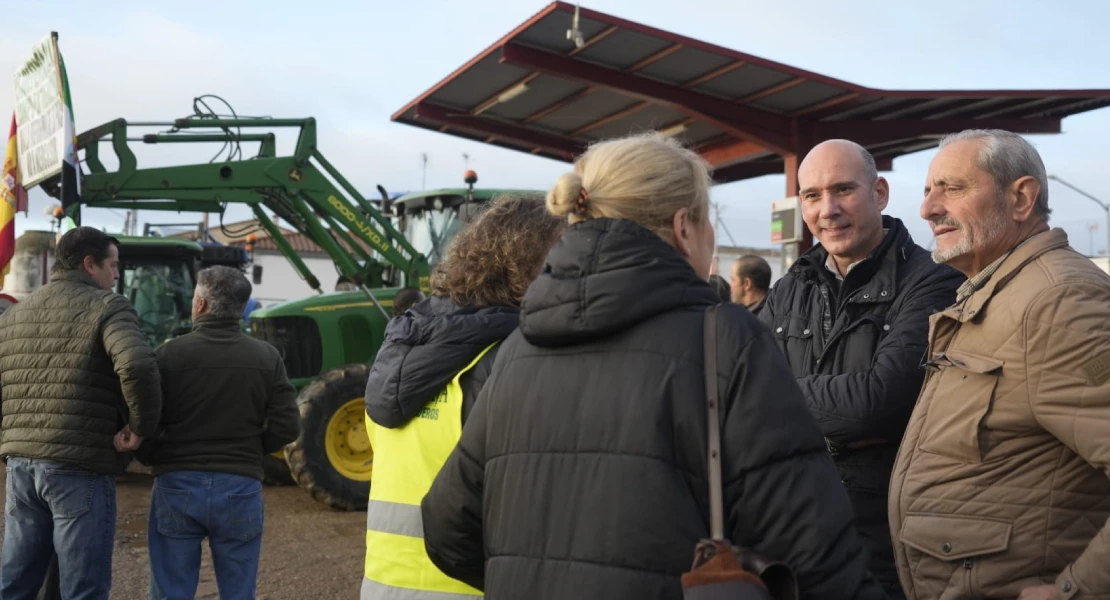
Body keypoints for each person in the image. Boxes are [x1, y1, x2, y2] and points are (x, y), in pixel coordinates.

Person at [420, 132, 886, 600]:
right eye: (706, 220)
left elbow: (447, 530)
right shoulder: (724, 340)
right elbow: (817, 562)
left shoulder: (516, 350)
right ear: (684, 227)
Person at [890, 129, 1110, 600]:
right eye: (928, 191)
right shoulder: (997, 293)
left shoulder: (1058, 301)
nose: (928, 208)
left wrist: (1077, 590)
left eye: (952, 188)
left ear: (1021, 198)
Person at [758, 139, 963, 597]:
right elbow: (735, 386)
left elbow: (879, 402)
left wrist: (774, 395)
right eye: (812, 195)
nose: (827, 210)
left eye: (843, 190)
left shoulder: (934, 280)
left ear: (881, 193)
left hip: (880, 548)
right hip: (787, 539)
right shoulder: (792, 285)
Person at [361, 196, 565, 599]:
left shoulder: (397, 354)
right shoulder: (510, 359)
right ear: (528, 266)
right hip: (468, 587)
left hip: (384, 584)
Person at [0, 226, 163, 599]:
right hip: (79, 466)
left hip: (22, 467)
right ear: (90, 265)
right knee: (83, 587)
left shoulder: (15, 314)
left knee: (17, 582)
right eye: (113, 265)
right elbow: (137, 364)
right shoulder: (108, 306)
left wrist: (9, 439)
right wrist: (140, 428)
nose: (117, 275)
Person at [136, 265, 300, 599]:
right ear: (242, 310)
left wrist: (152, 455)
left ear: (200, 305)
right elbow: (287, 425)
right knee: (239, 592)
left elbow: (145, 417)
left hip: (176, 484)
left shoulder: (168, 355)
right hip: (240, 487)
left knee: (170, 591)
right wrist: (252, 451)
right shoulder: (267, 358)